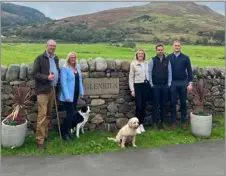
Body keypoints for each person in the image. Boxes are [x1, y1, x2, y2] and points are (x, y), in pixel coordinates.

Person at [33, 39, 59, 150]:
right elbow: (34, 74)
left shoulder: (56, 58)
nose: (52, 47)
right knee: (42, 116)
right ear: (46, 46)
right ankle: (40, 141)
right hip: (43, 91)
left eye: (54, 46)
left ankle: (45, 135)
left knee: (48, 114)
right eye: (50, 45)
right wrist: (47, 78)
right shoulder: (40, 58)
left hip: (52, 90)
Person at [167, 40, 193, 130]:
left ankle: (184, 122)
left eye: (178, 45)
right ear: (173, 46)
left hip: (183, 83)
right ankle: (173, 122)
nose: (177, 47)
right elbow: (166, 71)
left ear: (180, 47)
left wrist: (190, 83)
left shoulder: (185, 58)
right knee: (173, 103)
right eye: (175, 45)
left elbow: (190, 71)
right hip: (173, 83)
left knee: (183, 103)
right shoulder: (169, 57)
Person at [59, 52, 84, 141]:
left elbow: (80, 80)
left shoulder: (78, 67)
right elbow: (63, 83)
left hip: (75, 94)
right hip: (68, 96)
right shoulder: (65, 68)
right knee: (70, 115)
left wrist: (81, 91)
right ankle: (64, 132)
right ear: (68, 58)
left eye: (74, 57)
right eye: (71, 57)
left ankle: (67, 130)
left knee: (71, 113)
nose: (73, 59)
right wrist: (67, 96)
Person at [149, 44, 172, 130]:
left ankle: (163, 123)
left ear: (163, 50)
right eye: (158, 50)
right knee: (155, 104)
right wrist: (151, 84)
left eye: (161, 50)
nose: (160, 51)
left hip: (165, 86)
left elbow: (170, 73)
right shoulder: (152, 60)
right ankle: (155, 123)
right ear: (156, 51)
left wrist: (169, 84)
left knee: (163, 105)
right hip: (155, 86)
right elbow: (149, 72)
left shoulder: (167, 60)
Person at [129, 49, 149, 134]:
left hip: (145, 85)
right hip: (137, 85)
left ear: (144, 55)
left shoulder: (146, 63)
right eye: (139, 53)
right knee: (138, 106)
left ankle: (141, 124)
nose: (140, 55)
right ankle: (136, 125)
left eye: (142, 54)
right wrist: (132, 89)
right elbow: (131, 77)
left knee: (144, 106)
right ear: (137, 55)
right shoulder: (133, 64)